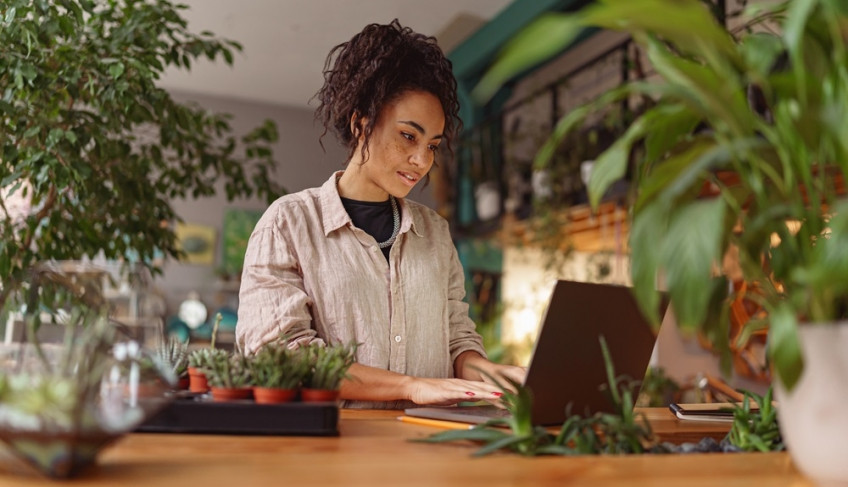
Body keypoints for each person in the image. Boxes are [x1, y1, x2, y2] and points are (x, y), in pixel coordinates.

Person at [236, 19, 524, 409]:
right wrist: (409, 386)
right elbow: (282, 356)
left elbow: (457, 340)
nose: (422, 160)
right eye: (409, 135)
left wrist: (496, 375)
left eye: (433, 145)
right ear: (361, 123)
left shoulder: (434, 233)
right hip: (331, 456)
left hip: (429, 452)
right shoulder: (288, 224)